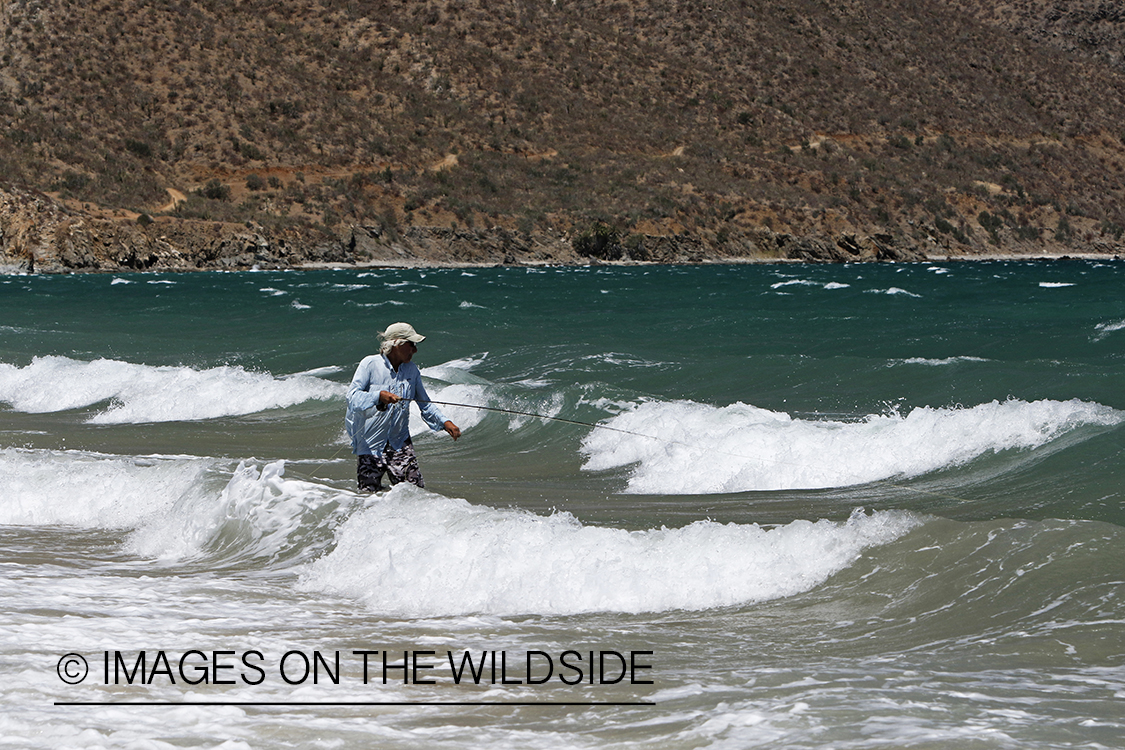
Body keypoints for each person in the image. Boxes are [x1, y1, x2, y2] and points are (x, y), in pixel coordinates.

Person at [345, 322, 460, 492]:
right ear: (397, 344)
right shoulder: (370, 364)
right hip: (370, 444)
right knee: (368, 496)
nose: (415, 350)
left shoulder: (412, 370)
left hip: (400, 442)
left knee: (415, 493)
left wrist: (445, 422)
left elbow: (425, 404)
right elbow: (352, 398)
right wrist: (379, 396)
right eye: (411, 344)